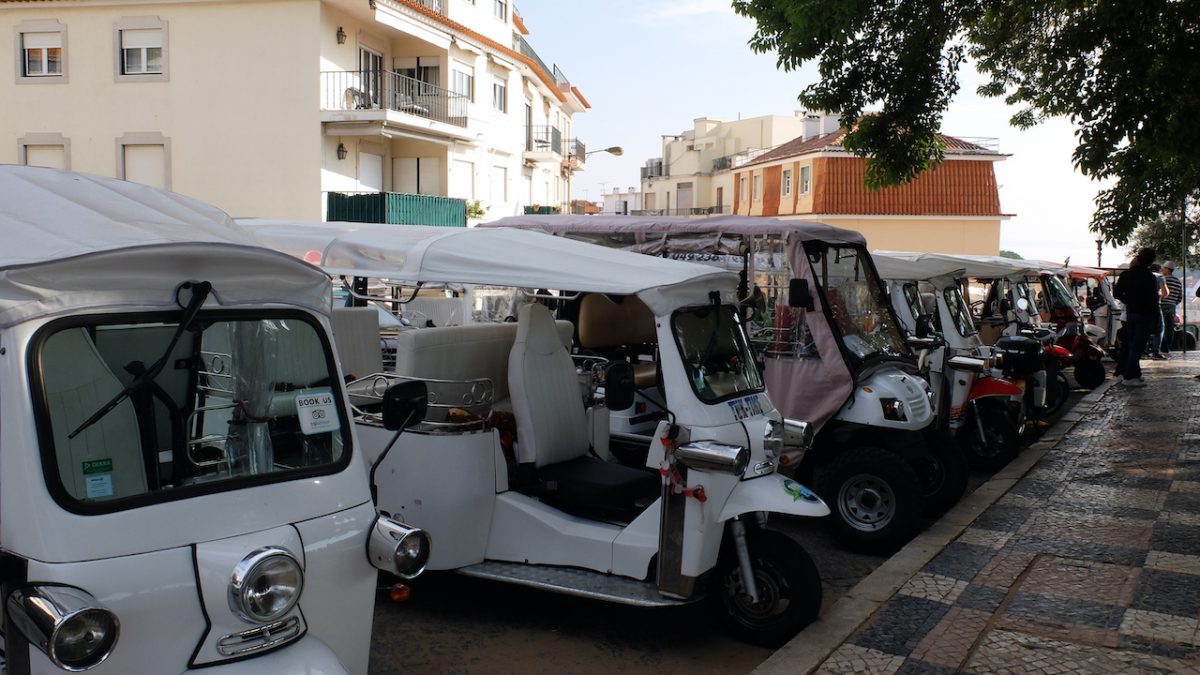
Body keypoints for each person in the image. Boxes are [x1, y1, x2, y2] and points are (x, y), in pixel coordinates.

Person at [1113, 248, 1160, 386]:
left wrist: (1129, 301)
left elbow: (1117, 293)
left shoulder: (1126, 274)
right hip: (1145, 315)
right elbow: (1153, 300)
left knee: (1132, 345)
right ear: (1151, 261)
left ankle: (1132, 374)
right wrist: (1155, 319)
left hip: (1131, 313)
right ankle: (1129, 376)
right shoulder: (1150, 277)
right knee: (1137, 347)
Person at [1161, 261, 1184, 355]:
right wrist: (1173, 303)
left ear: (1167, 269)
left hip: (1162, 305)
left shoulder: (1163, 280)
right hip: (1172, 306)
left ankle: (1161, 347)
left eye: (1163, 268)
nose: (1162, 270)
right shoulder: (1178, 282)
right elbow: (1180, 297)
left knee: (1161, 327)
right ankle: (1167, 348)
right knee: (1170, 328)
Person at [1146, 263, 1167, 359]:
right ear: (1159, 270)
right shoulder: (1159, 277)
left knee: (1144, 329)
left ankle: (1144, 351)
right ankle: (1156, 352)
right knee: (1159, 329)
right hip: (1155, 306)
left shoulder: (1144, 276)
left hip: (1141, 307)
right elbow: (1165, 293)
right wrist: (1160, 297)